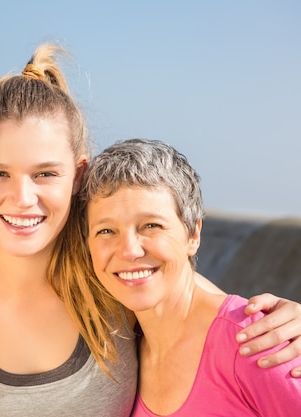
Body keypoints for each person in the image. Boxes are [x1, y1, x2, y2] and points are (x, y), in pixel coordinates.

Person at [0, 44, 301, 417]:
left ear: (78, 175)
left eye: (45, 173)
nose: (22, 198)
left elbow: (217, 313)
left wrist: (290, 320)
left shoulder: (112, 274)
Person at [83, 138, 301, 416]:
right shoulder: (124, 351)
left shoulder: (255, 338)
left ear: (193, 235)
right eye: (106, 231)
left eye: (151, 225)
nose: (129, 251)